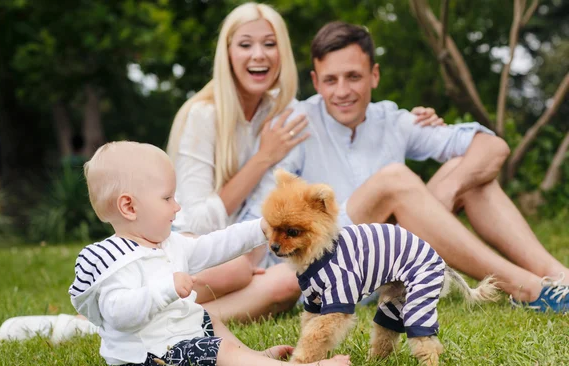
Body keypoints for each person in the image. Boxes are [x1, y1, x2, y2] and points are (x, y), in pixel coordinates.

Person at [241, 21, 569, 313]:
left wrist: (450, 191)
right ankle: (525, 288)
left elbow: (493, 146)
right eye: (331, 80)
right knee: (393, 181)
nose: (342, 91)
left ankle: (559, 278)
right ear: (315, 80)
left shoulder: (393, 120)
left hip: (388, 261)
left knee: (467, 171)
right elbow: (264, 215)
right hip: (325, 268)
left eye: (353, 76)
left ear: (374, 75)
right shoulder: (296, 125)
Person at [166, 2, 444, 322]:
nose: (259, 54)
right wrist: (263, 158)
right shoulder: (204, 115)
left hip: (257, 248)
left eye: (269, 44)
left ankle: (185, 322)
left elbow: (343, 111)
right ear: (227, 54)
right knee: (239, 273)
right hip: (207, 247)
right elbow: (197, 222)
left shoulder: (283, 112)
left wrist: (418, 117)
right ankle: (151, 312)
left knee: (280, 286)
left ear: (281, 53)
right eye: (245, 44)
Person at [68, 140, 351, 366]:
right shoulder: (112, 260)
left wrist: (259, 228)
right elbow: (119, 314)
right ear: (129, 206)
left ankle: (252, 358)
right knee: (218, 351)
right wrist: (166, 289)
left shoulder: (169, 244)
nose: (177, 206)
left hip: (176, 339)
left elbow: (216, 245)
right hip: (145, 358)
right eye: (167, 198)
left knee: (207, 318)